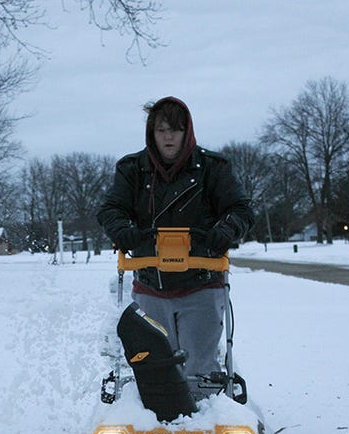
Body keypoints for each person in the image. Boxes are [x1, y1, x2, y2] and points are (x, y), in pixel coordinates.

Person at [98, 96, 254, 381]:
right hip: (149, 282)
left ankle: (205, 416)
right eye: (161, 130)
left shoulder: (213, 168)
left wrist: (226, 230)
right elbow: (111, 209)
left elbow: (240, 209)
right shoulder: (131, 169)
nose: (168, 136)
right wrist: (122, 230)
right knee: (156, 368)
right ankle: (152, 418)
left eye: (176, 129)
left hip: (201, 283)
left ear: (187, 132)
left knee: (198, 368)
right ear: (151, 133)